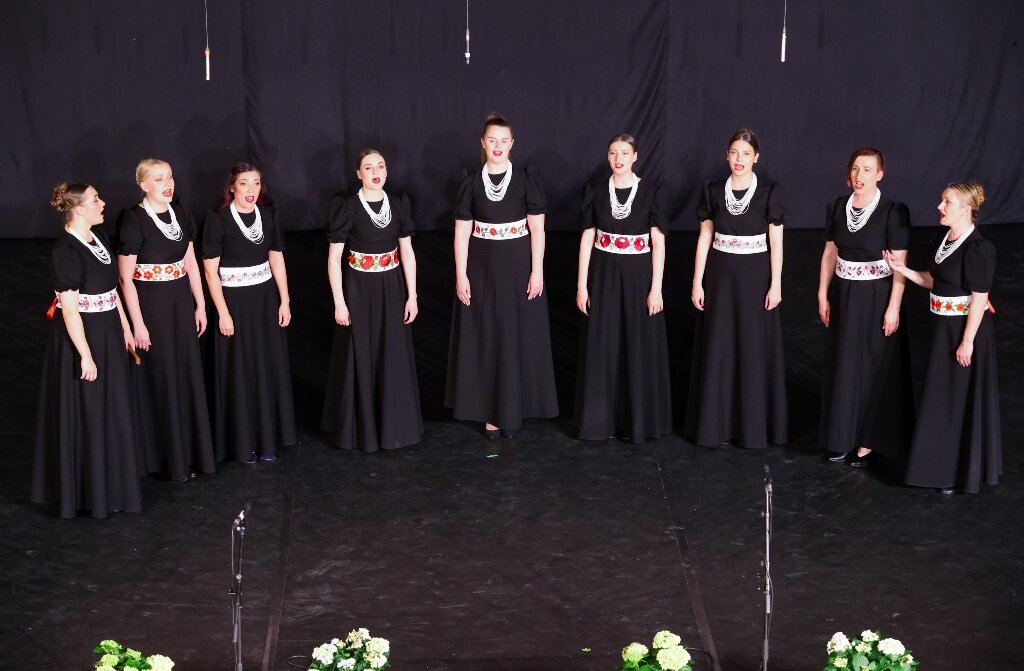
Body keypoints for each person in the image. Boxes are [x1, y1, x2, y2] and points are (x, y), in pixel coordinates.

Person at [32, 183, 142, 518]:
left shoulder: (100, 238)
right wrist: (86, 355)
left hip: (108, 332)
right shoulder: (65, 251)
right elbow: (69, 310)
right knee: (90, 409)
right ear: (79, 208)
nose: (103, 203)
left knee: (113, 406)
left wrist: (125, 329)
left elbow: (111, 291)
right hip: (84, 337)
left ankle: (115, 486)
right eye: (96, 199)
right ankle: (91, 493)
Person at [445, 113, 558, 438]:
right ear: (483, 143)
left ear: (512, 144)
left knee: (516, 335)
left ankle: (515, 409)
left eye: (503, 140)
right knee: (488, 337)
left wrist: (537, 271)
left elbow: (538, 229)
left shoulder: (525, 180)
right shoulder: (470, 182)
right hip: (482, 270)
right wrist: (461, 275)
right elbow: (461, 232)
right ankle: (491, 413)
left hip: (519, 269)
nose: (498, 146)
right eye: (492, 140)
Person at [886, 181, 1001, 494]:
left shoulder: (979, 248)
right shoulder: (943, 239)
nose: (939, 206)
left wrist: (967, 341)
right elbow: (933, 281)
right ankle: (937, 469)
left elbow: (979, 298)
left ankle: (953, 473)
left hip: (962, 332)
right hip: (941, 330)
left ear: (965, 210)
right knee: (940, 398)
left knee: (955, 399)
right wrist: (902, 269)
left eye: (947, 202)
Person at [685, 128, 787, 449]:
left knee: (751, 345)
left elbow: (776, 241)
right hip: (720, 277)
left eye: (745, 153)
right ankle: (715, 426)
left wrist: (776, 283)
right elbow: (705, 236)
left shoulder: (769, 192)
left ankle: (751, 428)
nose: (739, 159)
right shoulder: (713, 190)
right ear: (726, 156)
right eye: (733, 152)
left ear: (756, 157)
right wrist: (697, 281)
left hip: (755, 277)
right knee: (720, 344)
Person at [117, 159, 215, 480]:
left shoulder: (181, 212)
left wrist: (200, 305)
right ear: (144, 186)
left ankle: (187, 454)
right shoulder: (134, 220)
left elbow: (190, 262)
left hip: (179, 303)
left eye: (170, 177)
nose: (167, 183)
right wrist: (138, 323)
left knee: (183, 371)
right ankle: (161, 458)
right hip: (152, 306)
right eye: (159, 179)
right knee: (160, 375)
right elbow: (125, 278)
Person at [321, 149, 423, 451]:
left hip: (392, 287)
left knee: (391, 351)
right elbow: (334, 258)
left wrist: (412, 295)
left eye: (380, 166)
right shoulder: (348, 207)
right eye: (368, 167)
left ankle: (395, 428)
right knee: (361, 352)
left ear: (387, 171)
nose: (375, 172)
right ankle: (362, 430)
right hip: (359, 289)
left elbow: (407, 253)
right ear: (358, 174)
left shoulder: (397, 205)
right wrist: (339, 302)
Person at [817, 148, 914, 467]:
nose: (860, 175)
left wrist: (894, 306)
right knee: (845, 364)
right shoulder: (837, 207)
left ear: (880, 175)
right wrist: (822, 294)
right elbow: (830, 254)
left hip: (877, 297)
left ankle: (869, 439)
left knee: (872, 366)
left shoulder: (893, 211)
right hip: (844, 294)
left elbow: (900, 264)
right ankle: (841, 436)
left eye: (868, 170)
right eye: (856, 168)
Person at [574, 133, 671, 441]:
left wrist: (656, 288)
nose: (618, 158)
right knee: (604, 343)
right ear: (608, 156)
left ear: (635, 156)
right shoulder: (596, 192)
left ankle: (637, 422)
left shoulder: (652, 193)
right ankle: (601, 422)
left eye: (624, 153)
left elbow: (658, 242)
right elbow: (587, 238)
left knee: (637, 343)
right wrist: (582, 285)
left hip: (639, 277)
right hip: (604, 276)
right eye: (614, 152)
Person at [203, 162, 296, 462]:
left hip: (265, 300)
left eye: (256, 183)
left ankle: (268, 439)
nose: (251, 189)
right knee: (240, 369)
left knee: (266, 366)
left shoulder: (268, 215)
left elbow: (276, 259)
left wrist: (284, 300)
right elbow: (210, 272)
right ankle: (243, 444)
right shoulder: (218, 219)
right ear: (232, 187)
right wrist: (223, 312)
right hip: (234, 303)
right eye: (244, 183)